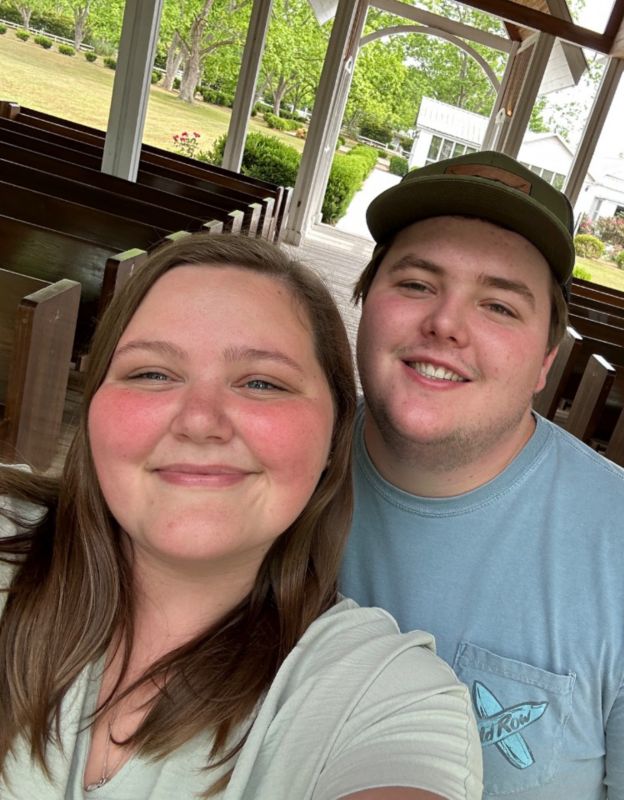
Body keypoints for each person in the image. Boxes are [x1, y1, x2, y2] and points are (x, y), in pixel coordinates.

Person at [339, 151, 624, 799]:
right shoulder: (264, 469)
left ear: (546, 359)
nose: (446, 324)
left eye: (499, 306)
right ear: (365, 300)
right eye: (417, 284)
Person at [0, 235, 482, 799]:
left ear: (335, 437)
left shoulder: (385, 697)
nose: (199, 421)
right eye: (151, 373)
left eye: (261, 383)